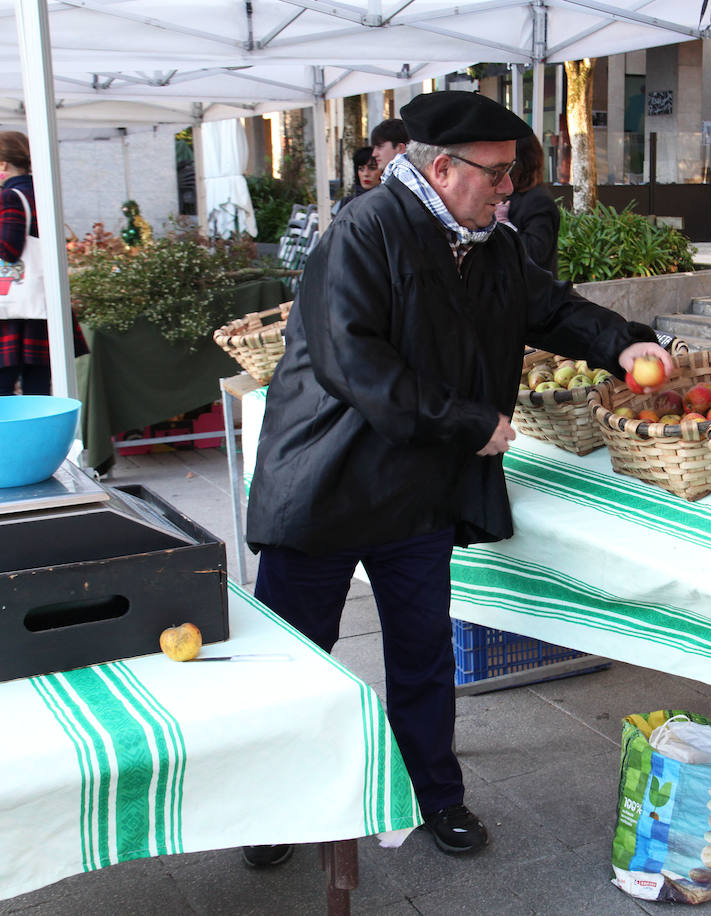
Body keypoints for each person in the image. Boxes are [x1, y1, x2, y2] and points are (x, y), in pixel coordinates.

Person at [243, 90, 674, 865]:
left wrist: (625, 344)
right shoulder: (365, 230)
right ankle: (276, 808)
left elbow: (550, 310)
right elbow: (355, 363)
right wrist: (468, 423)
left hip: (416, 489)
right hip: (327, 477)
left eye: (512, 176)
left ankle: (434, 794)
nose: (510, 190)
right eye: (497, 175)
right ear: (441, 168)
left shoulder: (491, 242)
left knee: (422, 653)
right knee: (296, 657)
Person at [0, 130, 86, 398]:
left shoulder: (11, 197)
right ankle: (38, 441)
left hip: (7, 312)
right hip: (37, 307)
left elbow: (8, 249)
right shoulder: (39, 192)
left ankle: (2, 441)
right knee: (38, 391)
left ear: (3, 164)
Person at [492, 133, 561, 276]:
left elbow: (536, 253)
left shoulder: (539, 200)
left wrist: (504, 224)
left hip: (531, 292)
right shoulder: (510, 194)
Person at [334, 146, 381, 215]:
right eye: (361, 169)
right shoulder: (347, 203)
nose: (366, 174)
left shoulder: (390, 201)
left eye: (372, 168)